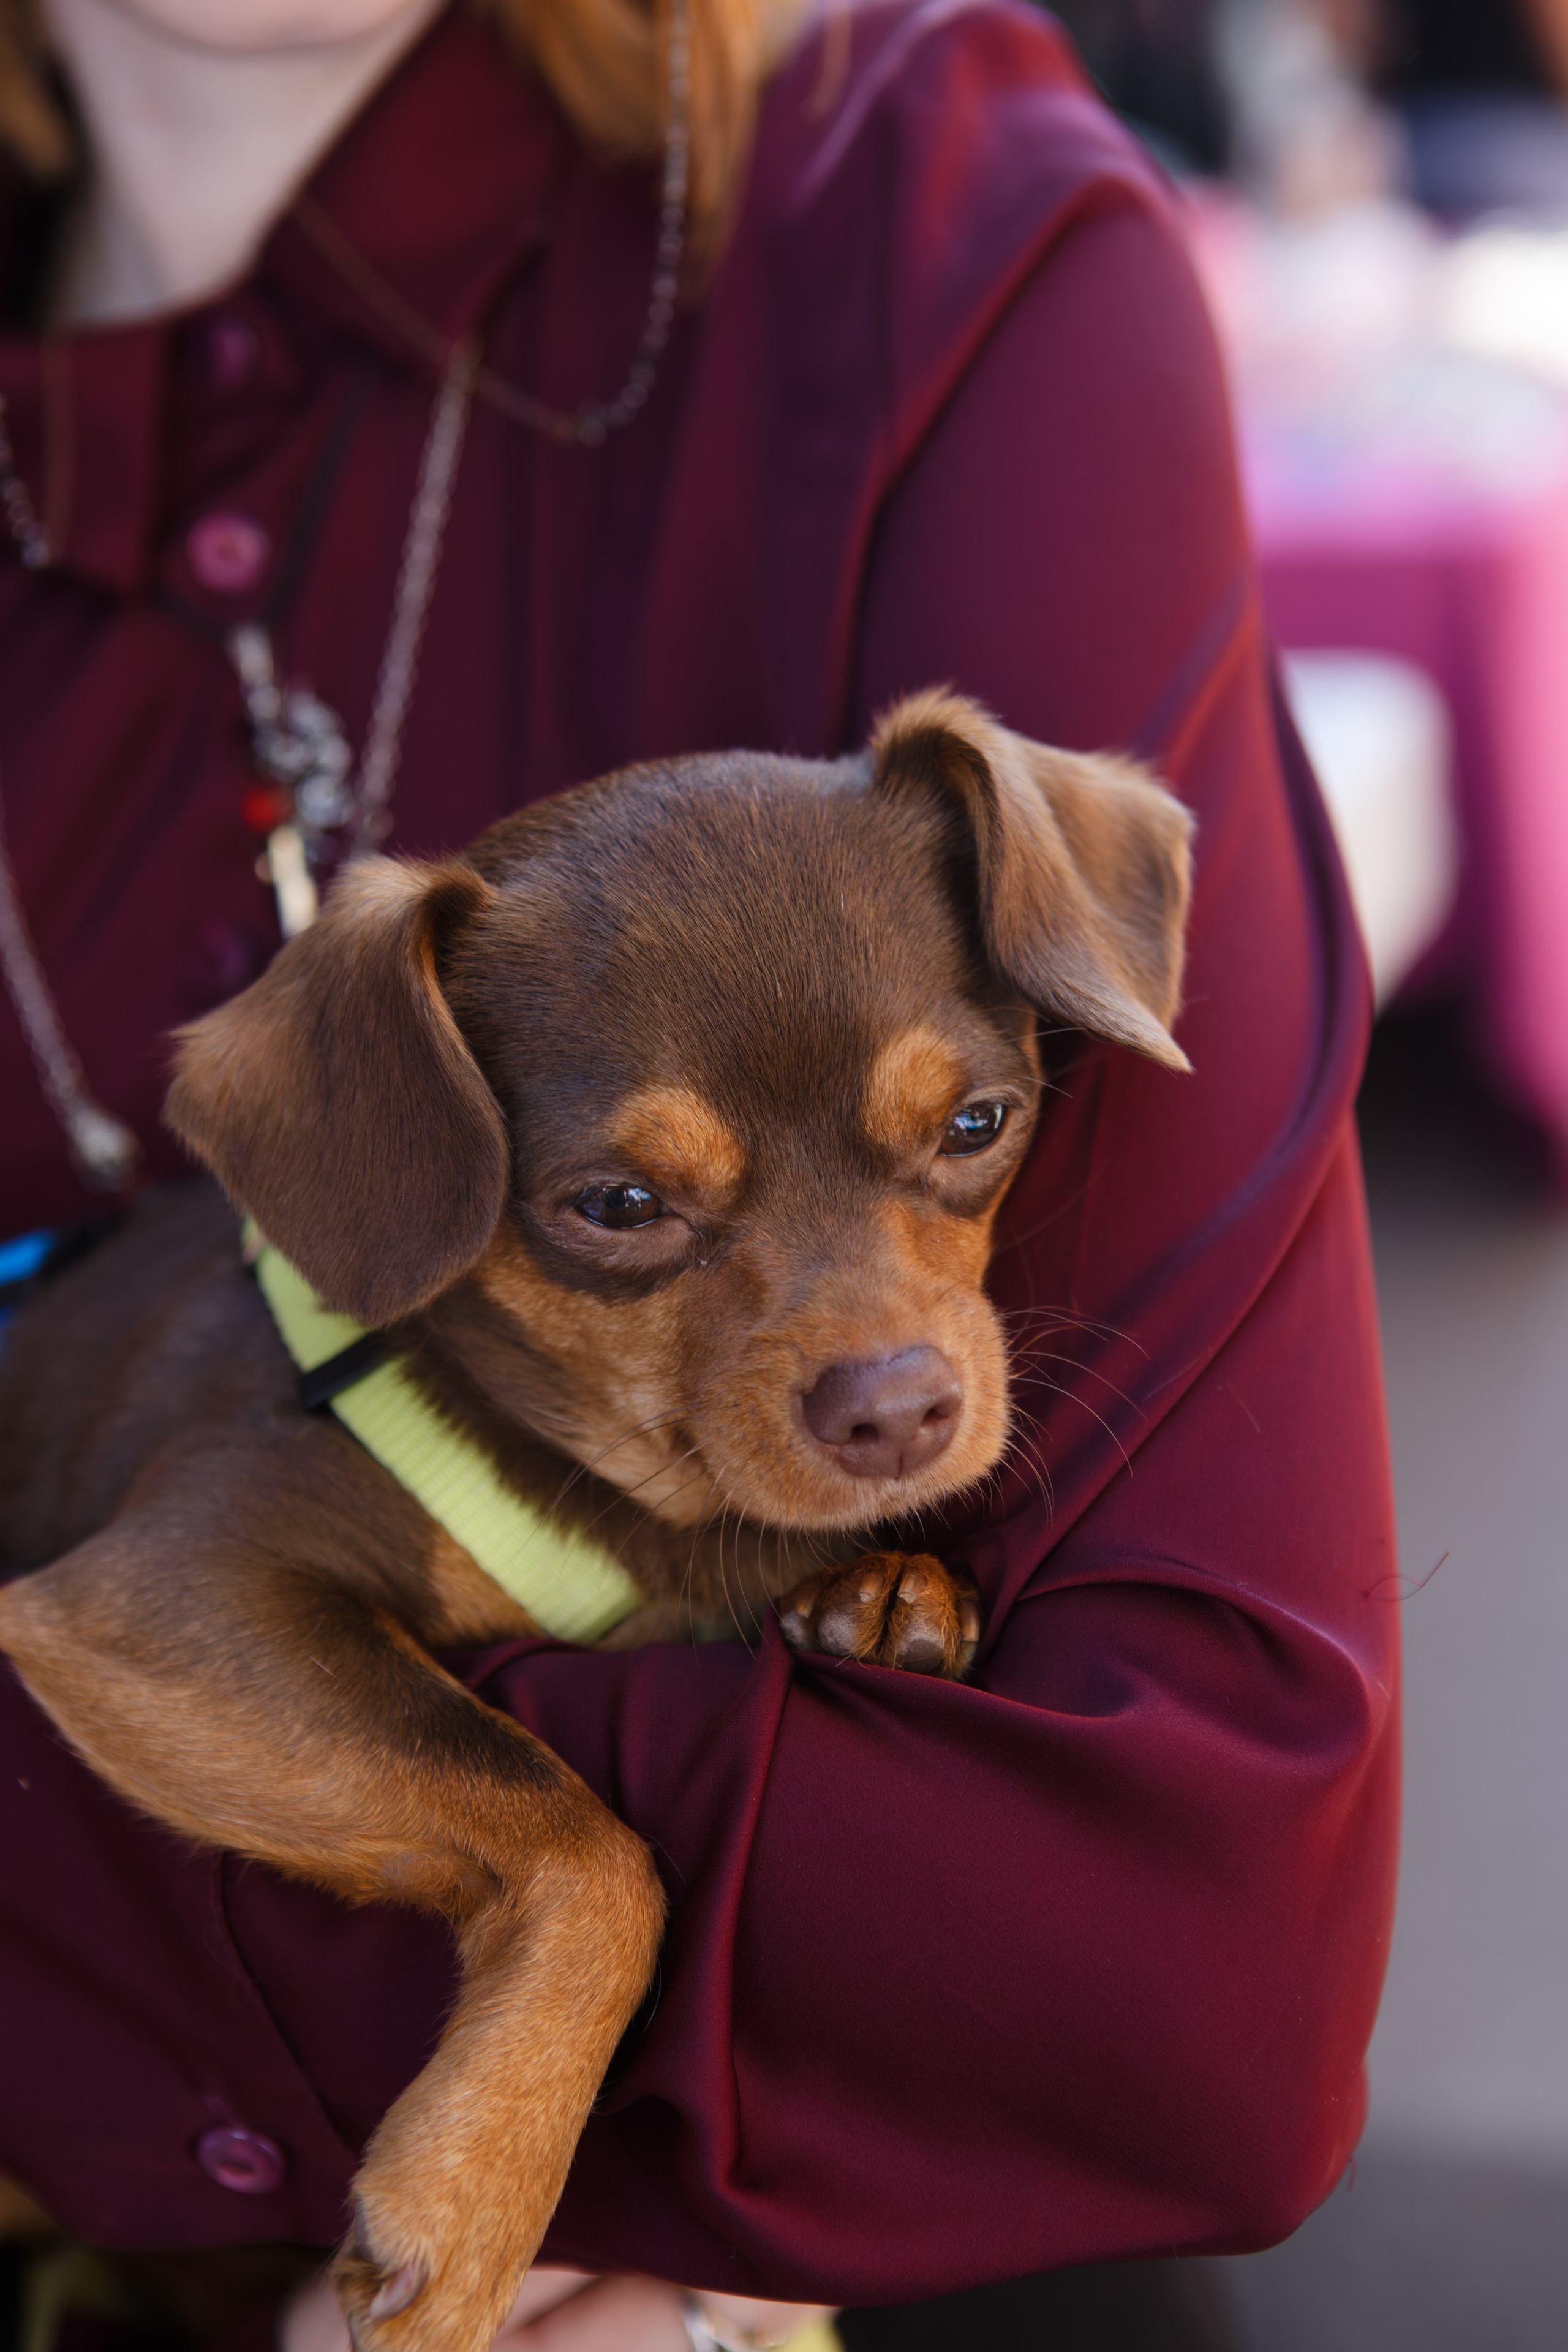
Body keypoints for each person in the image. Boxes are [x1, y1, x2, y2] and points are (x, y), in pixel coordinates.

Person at [0, 1, 1398, 2348]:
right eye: (630, 1215)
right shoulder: (330, 1298)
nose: (887, 1368)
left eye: (967, 1136)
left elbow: (1167, 1999)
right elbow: (120, 1629)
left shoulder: (937, 238)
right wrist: (607, 1893)